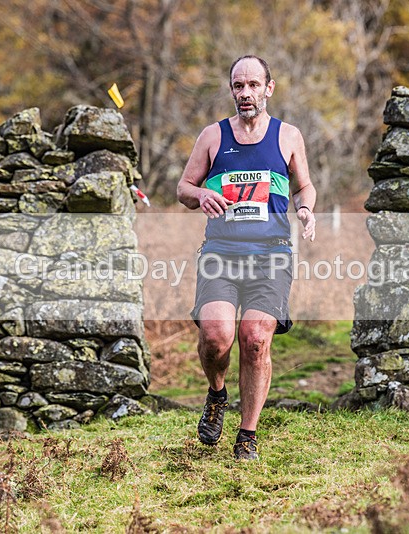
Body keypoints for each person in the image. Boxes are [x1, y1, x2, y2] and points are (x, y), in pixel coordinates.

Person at [176, 55, 316, 460]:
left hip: (271, 254)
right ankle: (217, 395)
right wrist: (200, 193)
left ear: (269, 88)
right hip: (221, 253)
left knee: (255, 339)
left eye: (254, 85)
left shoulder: (288, 136)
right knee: (216, 337)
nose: (245, 93)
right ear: (231, 90)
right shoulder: (213, 137)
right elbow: (183, 187)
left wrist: (305, 209)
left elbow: (304, 187)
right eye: (238, 86)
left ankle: (247, 435)